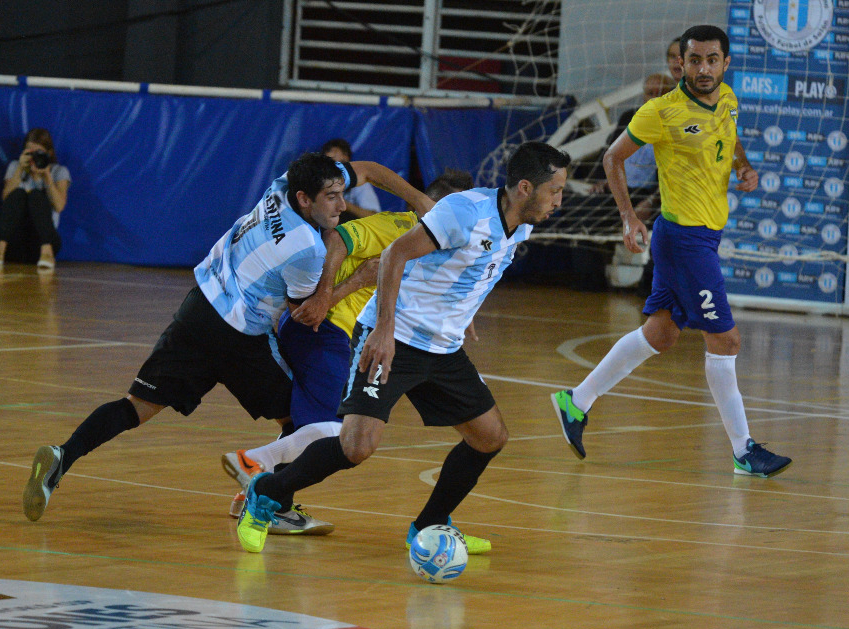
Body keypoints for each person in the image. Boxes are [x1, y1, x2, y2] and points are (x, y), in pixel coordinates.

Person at [22, 151, 434, 523]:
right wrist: (360, 278)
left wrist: (417, 200)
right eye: (332, 198)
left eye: (342, 193)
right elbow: (307, 314)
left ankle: (63, 456)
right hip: (239, 336)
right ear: (306, 198)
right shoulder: (306, 250)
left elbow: (370, 170)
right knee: (300, 420)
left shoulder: (283, 184)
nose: (342, 206)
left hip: (197, 308)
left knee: (136, 407)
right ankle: (270, 505)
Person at [234, 141, 571, 554]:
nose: (559, 200)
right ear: (524, 187)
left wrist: (460, 320)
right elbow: (394, 255)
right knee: (356, 447)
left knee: (489, 437)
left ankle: (429, 526)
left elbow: (472, 272)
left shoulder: (522, 224)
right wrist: (384, 331)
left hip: (442, 348)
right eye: (554, 190)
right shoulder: (465, 212)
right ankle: (266, 492)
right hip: (393, 337)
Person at [551, 25, 792, 478]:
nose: (703, 68)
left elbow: (730, 133)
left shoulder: (729, 99)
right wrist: (628, 216)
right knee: (726, 339)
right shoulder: (661, 111)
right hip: (683, 240)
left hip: (703, 238)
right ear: (681, 62)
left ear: (726, 62)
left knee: (660, 334)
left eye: (712, 59)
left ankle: (576, 401)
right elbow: (611, 159)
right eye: (694, 59)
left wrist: (744, 166)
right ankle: (744, 451)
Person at [222, 169, 475, 538]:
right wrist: (328, 294)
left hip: (348, 336)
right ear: (432, 208)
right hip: (327, 329)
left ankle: (255, 498)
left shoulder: (455, 246)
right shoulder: (396, 227)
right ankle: (254, 463)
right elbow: (339, 237)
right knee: (341, 433)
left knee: (315, 428)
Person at [0, 128, 71, 270]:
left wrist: (46, 177)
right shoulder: (15, 167)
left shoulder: (58, 171)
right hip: (15, 241)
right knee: (19, 193)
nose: (32, 158)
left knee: (36, 195)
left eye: (37, 152)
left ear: (48, 153)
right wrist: (20, 170)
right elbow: (6, 199)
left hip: (44, 242)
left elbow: (59, 206)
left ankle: (46, 253)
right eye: (28, 152)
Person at [322, 138, 382, 221]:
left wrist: (344, 204)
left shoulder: (360, 182)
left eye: (341, 163)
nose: (338, 169)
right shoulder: (320, 182)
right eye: (332, 164)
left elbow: (374, 217)